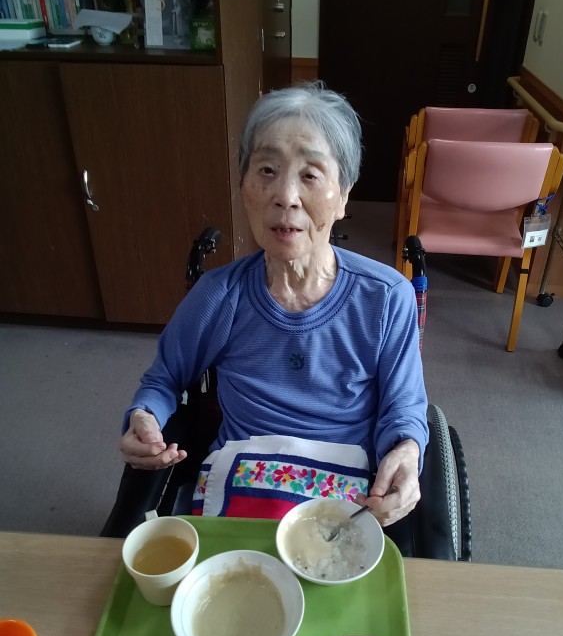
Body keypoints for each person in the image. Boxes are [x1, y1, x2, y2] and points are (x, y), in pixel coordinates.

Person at [119, 81, 428, 528]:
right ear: (243, 185)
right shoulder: (218, 295)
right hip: (243, 483)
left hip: (345, 488)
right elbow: (164, 378)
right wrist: (143, 415)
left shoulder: (385, 297)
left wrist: (407, 451)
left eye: (310, 175)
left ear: (343, 194)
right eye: (266, 170)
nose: (286, 195)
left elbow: (405, 408)